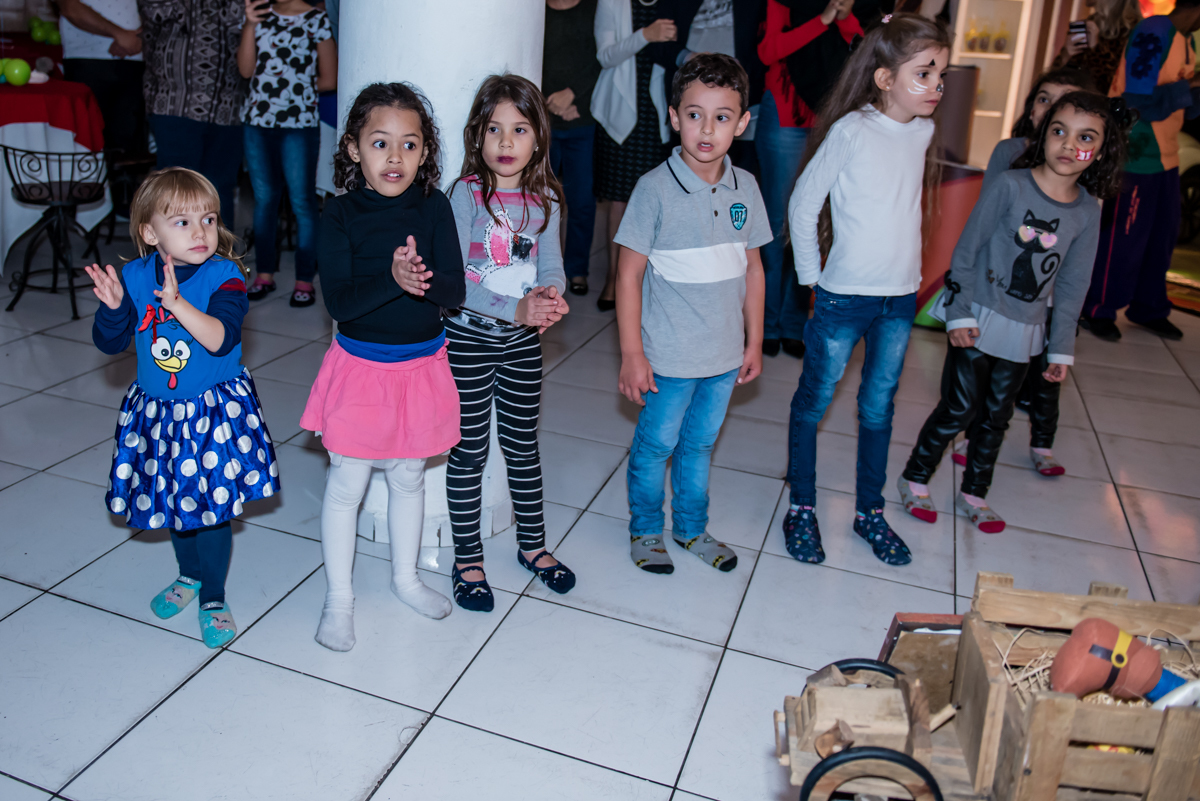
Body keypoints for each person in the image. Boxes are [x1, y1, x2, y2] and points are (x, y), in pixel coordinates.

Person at [900, 92, 1126, 532]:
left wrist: (1060, 349)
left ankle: (974, 493)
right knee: (959, 408)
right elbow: (966, 251)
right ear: (1043, 135)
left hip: (1026, 330)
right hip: (977, 315)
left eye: (1085, 137)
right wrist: (960, 312)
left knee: (997, 417)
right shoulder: (1011, 184)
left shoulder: (1086, 211)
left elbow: (1074, 284)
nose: (1067, 144)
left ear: (1100, 151)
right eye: (1059, 131)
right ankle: (914, 478)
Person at [84, 168, 279, 648]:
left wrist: (176, 305)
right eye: (183, 222)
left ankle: (213, 595)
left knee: (210, 509)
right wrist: (113, 309)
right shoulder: (134, 275)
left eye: (209, 219)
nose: (201, 232)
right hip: (159, 413)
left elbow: (221, 338)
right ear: (150, 233)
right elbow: (110, 343)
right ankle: (188, 576)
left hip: (211, 414)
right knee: (175, 499)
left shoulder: (225, 276)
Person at [300, 84, 464, 651]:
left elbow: (454, 288)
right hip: (361, 370)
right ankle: (338, 599)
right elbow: (340, 304)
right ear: (352, 149)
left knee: (409, 476)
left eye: (409, 145)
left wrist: (420, 281)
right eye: (380, 143)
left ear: (425, 152)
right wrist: (391, 280)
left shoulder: (434, 205)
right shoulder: (340, 212)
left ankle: (405, 578)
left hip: (421, 367)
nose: (395, 158)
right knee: (347, 484)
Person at [783, 14, 951, 567]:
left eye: (941, 74)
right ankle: (803, 507)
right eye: (924, 73)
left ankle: (868, 513)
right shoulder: (851, 130)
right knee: (815, 401)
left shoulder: (923, 132)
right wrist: (812, 279)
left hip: (899, 301)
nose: (937, 85)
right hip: (842, 298)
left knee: (879, 408)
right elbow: (804, 203)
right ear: (884, 79)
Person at [615, 53, 769, 575]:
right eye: (695, 114)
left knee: (700, 446)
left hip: (724, 356)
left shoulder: (746, 188)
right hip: (669, 357)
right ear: (674, 117)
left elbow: (753, 270)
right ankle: (644, 530)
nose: (707, 129)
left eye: (722, 116)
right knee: (657, 445)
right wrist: (633, 353)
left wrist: (753, 342)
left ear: (742, 123)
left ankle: (690, 530)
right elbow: (628, 275)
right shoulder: (653, 190)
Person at [444, 74, 576, 612]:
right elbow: (455, 279)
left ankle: (533, 547)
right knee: (469, 450)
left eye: (519, 129)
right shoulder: (466, 195)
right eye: (494, 129)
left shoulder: (545, 200)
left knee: (523, 446)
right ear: (478, 136)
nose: (505, 142)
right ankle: (467, 558)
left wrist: (550, 295)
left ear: (538, 138)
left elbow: (552, 267)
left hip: (521, 344)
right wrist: (516, 308)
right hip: (468, 342)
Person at [952, 67, 1095, 479]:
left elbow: (1081, 234)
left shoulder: (1081, 171)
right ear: (1033, 106)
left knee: (1046, 378)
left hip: (1051, 295)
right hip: (1000, 290)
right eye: (1044, 98)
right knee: (987, 375)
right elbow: (987, 221)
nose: (1051, 110)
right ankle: (972, 436)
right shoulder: (1009, 152)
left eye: (1065, 102)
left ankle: (1042, 442)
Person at [1081, 0, 1200, 343]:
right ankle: (1097, 307)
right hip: (1135, 152)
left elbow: (1183, 105)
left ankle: (1148, 306)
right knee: (1123, 239)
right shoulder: (1154, 31)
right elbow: (1137, 100)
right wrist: (1190, 89)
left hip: (1166, 155)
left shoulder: (1186, 40)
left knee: (1161, 238)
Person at [757, 0, 861, 359]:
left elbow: (867, 51)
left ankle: (793, 323)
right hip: (785, 115)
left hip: (829, 118)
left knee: (810, 223)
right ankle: (765, 324)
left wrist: (844, 18)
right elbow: (769, 51)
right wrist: (823, 20)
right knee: (776, 223)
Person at [237, 0, 336, 308]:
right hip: (257, 124)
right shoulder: (259, 17)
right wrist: (250, 24)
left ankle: (304, 280)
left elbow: (330, 78)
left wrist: (295, 91)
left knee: (302, 202)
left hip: (299, 124)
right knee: (265, 200)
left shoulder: (316, 20)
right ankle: (264, 275)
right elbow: (245, 70)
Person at [591, 0, 678, 310]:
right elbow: (605, 55)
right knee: (619, 200)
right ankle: (615, 278)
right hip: (619, 113)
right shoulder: (611, 3)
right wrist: (646, 34)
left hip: (659, 112)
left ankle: (648, 280)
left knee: (656, 202)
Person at [139, 0, 247, 219]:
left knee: (220, 189)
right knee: (176, 188)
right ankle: (174, 252)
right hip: (174, 103)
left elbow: (241, 19)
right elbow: (157, 11)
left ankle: (220, 252)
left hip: (227, 104)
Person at [544, 0, 602, 297]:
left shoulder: (595, 7)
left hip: (583, 118)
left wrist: (574, 98)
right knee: (542, 202)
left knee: (581, 202)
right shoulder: (535, 9)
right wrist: (550, 105)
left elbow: (601, 59)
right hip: (544, 121)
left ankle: (576, 269)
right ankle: (542, 269)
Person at [58, 0, 146, 157]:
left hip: (135, 60)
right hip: (86, 60)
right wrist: (119, 34)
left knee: (131, 152)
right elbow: (69, 7)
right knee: (87, 146)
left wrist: (141, 36)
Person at [1053, 0, 1141, 93]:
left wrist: (1096, 49)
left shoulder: (1136, 32)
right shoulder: (1086, 25)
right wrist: (1065, 57)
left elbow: (1114, 85)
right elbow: (1053, 80)